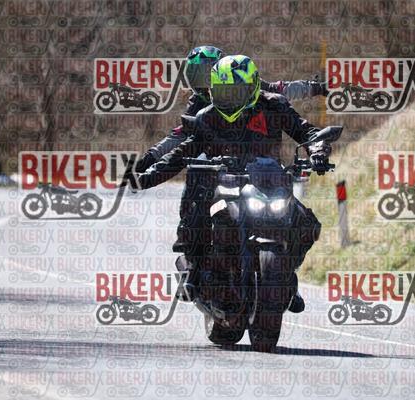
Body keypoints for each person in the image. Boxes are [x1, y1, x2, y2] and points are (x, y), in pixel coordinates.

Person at [136, 55, 331, 313]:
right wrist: (146, 177)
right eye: (224, 92)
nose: (230, 99)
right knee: (198, 212)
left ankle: (285, 275)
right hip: (224, 183)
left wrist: (318, 152)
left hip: (268, 182)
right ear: (213, 91)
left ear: (252, 87)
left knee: (306, 224)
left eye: (236, 92)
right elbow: (182, 152)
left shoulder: (274, 106)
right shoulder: (207, 116)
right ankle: (193, 270)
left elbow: (307, 132)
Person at [135, 45, 328, 172]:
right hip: (219, 165)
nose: (204, 83)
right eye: (197, 76)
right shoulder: (197, 103)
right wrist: (150, 158)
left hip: (260, 163)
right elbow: (178, 135)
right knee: (195, 187)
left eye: (208, 75)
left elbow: (282, 89)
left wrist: (316, 87)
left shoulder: (245, 85)